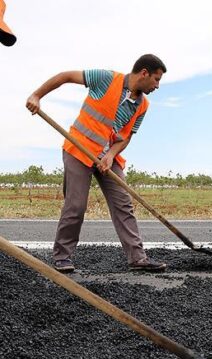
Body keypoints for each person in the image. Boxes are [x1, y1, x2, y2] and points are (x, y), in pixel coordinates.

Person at [26, 54, 167, 273]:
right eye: (156, 79)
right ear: (144, 73)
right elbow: (65, 76)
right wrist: (36, 95)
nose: (157, 85)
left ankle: (138, 258)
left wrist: (110, 155)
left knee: (123, 203)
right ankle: (62, 257)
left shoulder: (143, 105)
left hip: (107, 158)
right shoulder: (105, 79)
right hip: (79, 149)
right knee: (76, 204)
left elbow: (127, 137)